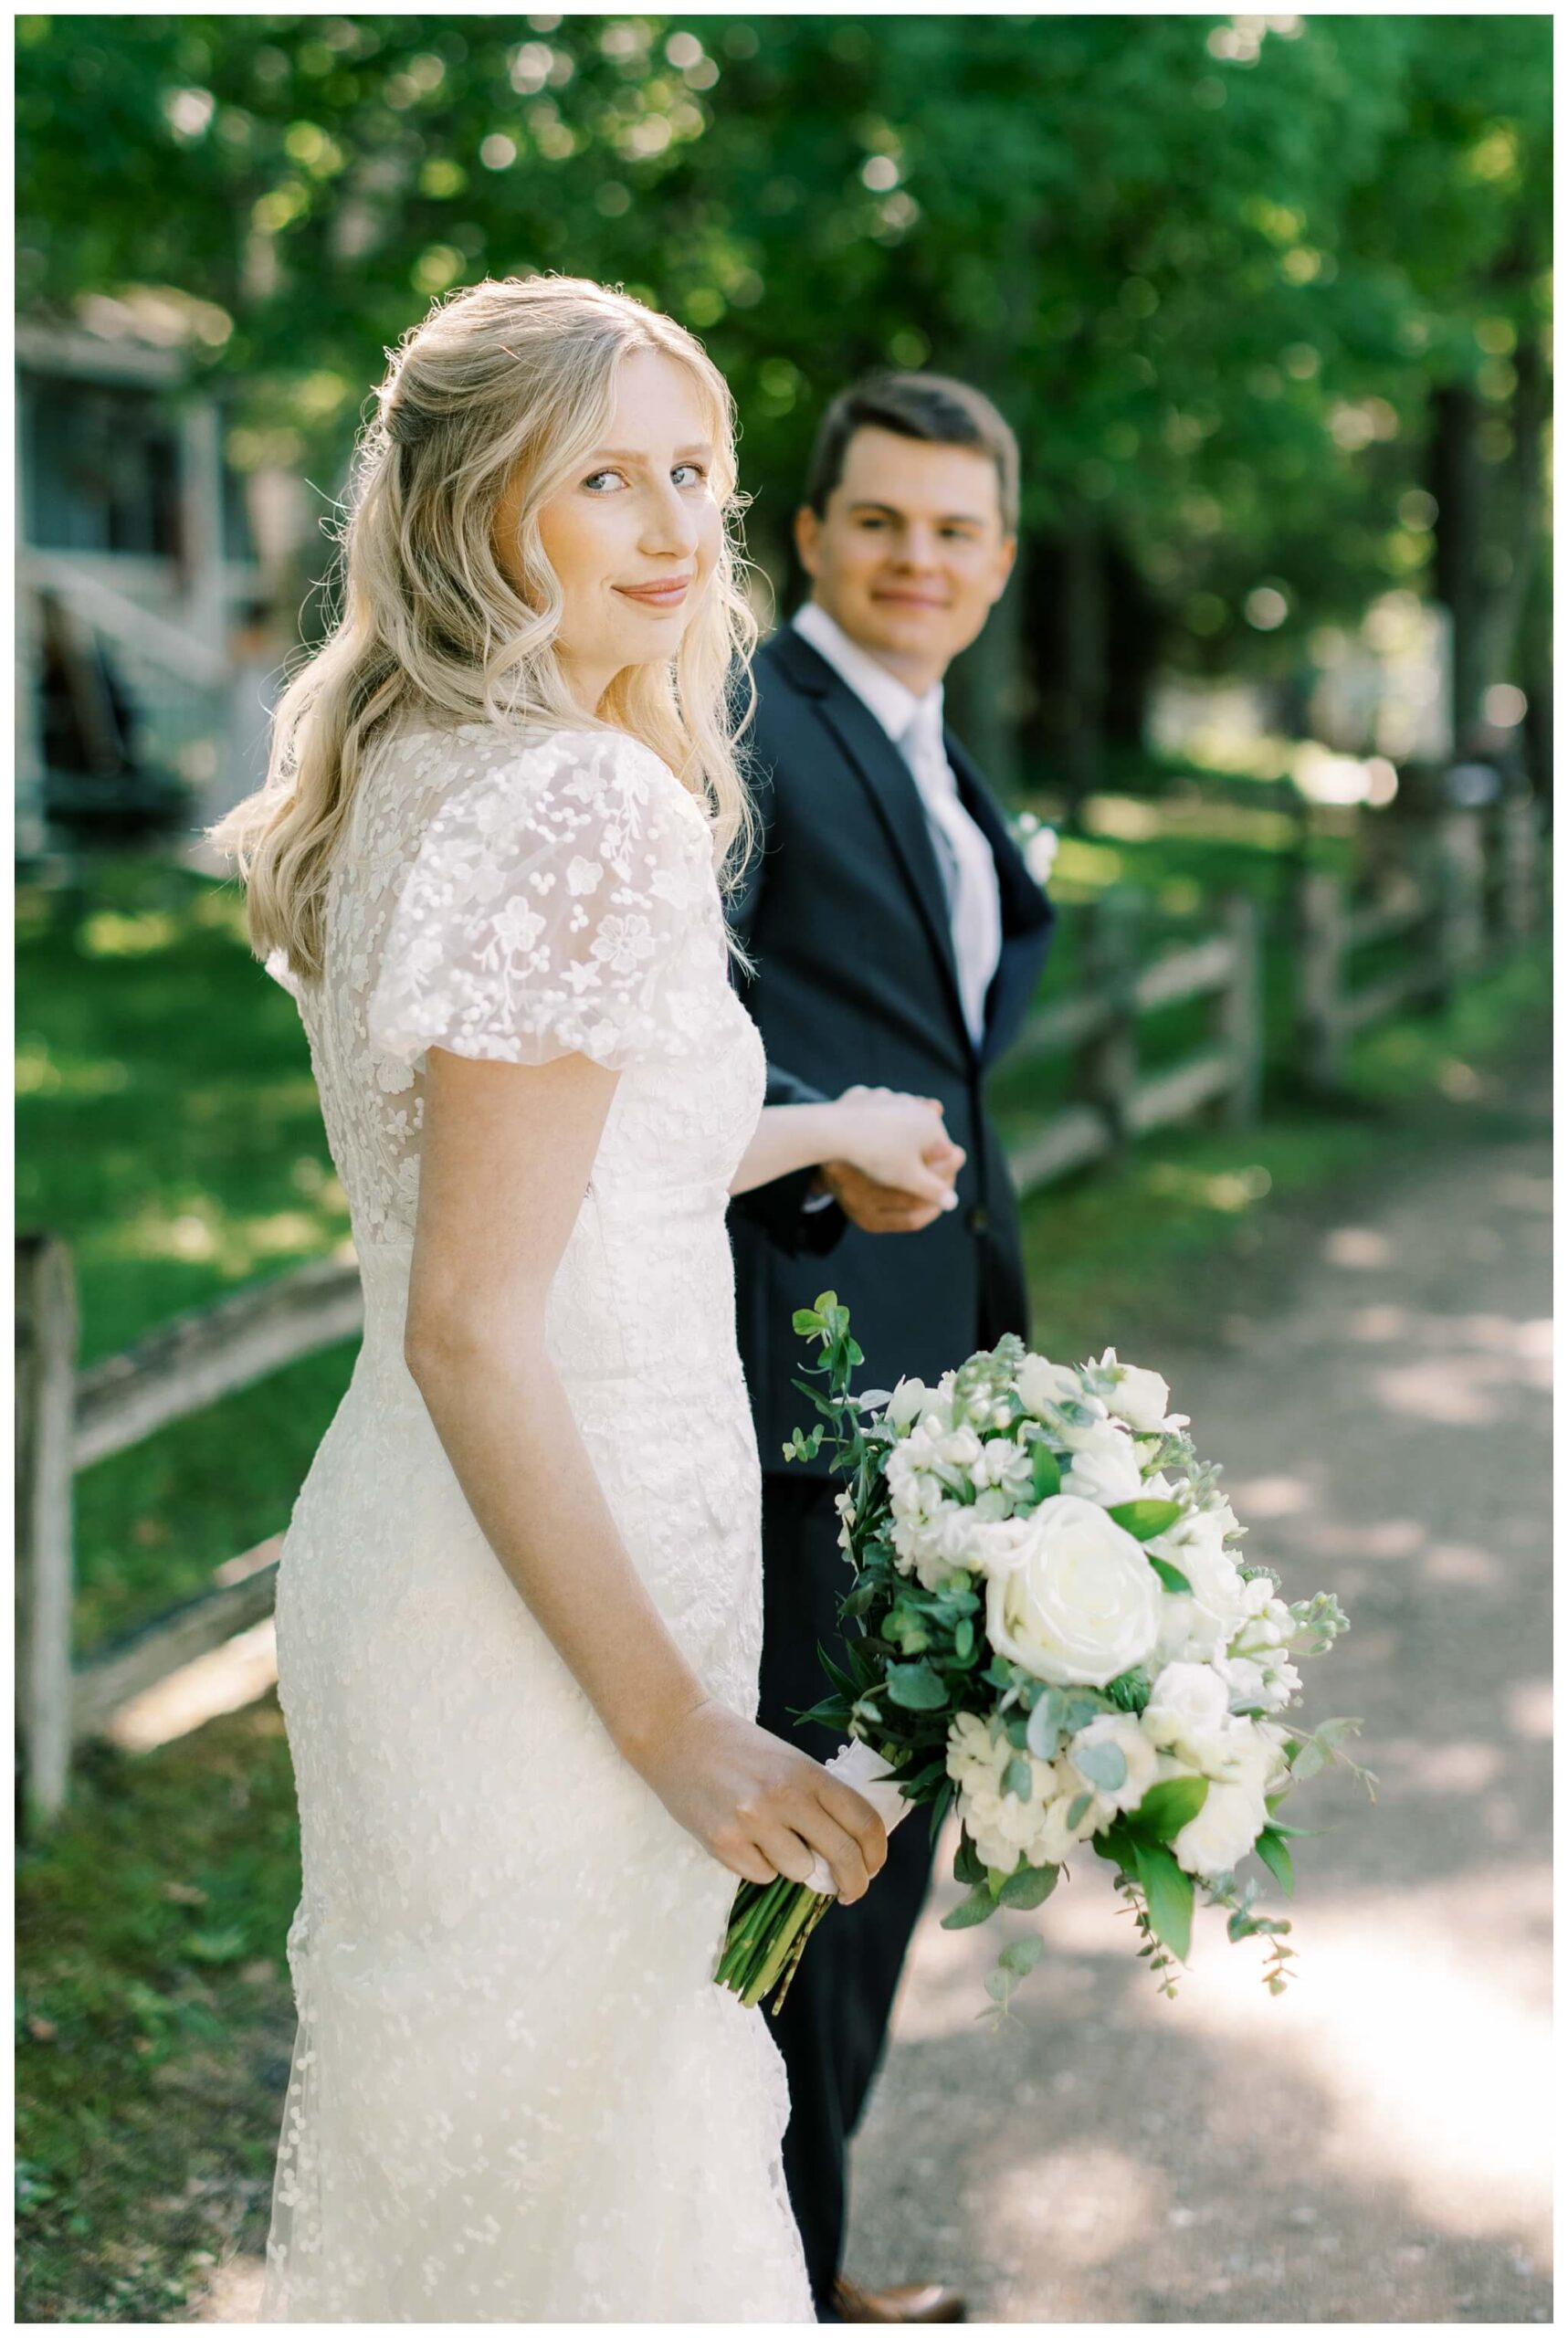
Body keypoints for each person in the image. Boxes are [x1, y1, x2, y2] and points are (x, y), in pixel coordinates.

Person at [212, 279, 967, 2323]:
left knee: (494, 2174)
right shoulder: (583, 804)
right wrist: (677, 1728)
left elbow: (546, 1175)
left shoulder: (419, 761)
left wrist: (808, 1131)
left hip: (427, 1536)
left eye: (692, 476)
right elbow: (477, 1313)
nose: (666, 524)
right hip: (558, 1592)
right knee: (599, 2181)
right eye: (602, 475)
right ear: (477, 508)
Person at [729, 373, 1057, 2323]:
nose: (915, 557)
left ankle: (789, 2248)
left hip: (943, 1355)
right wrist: (818, 1166)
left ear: (999, 561)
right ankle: (783, 2268)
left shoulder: (936, 754)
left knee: (887, 1803)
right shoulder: (751, 716)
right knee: (822, 1826)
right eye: (879, 520)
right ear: (815, 534)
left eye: (952, 530)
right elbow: (680, 997)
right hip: (805, 1347)